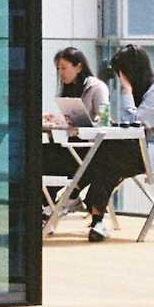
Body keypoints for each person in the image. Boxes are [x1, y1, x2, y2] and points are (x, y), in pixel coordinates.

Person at [73, 44, 154, 242]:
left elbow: (134, 121)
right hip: (144, 147)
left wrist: (126, 91)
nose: (119, 77)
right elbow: (130, 123)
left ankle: (79, 195)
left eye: (121, 73)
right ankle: (95, 217)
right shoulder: (145, 90)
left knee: (104, 155)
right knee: (104, 159)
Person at [41, 47, 111, 224]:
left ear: (78, 67)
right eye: (58, 69)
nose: (60, 73)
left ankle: (48, 207)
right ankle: (45, 205)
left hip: (92, 149)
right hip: (75, 145)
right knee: (41, 154)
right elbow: (72, 120)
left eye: (64, 68)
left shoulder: (97, 88)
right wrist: (57, 120)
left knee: (48, 158)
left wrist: (78, 124)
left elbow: (103, 120)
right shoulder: (70, 89)